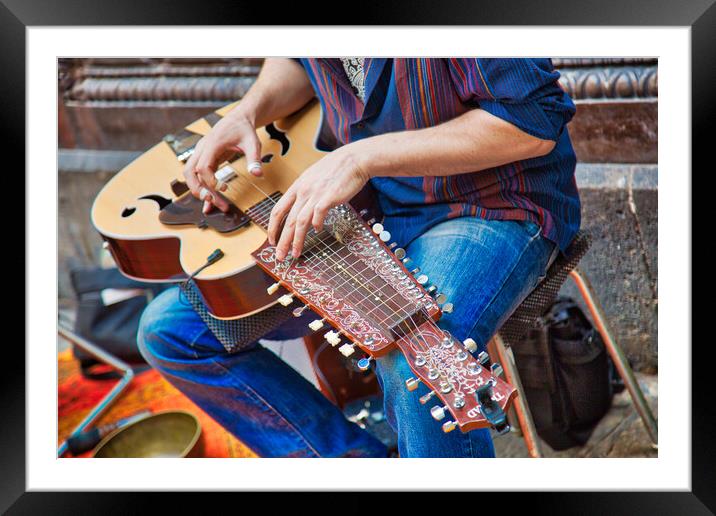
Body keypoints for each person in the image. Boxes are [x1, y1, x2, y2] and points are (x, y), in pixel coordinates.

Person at [138, 58, 580, 458]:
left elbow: (532, 121)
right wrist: (247, 111)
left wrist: (360, 158)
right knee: (171, 332)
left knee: (416, 367)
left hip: (490, 206)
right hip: (372, 205)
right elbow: (298, 60)